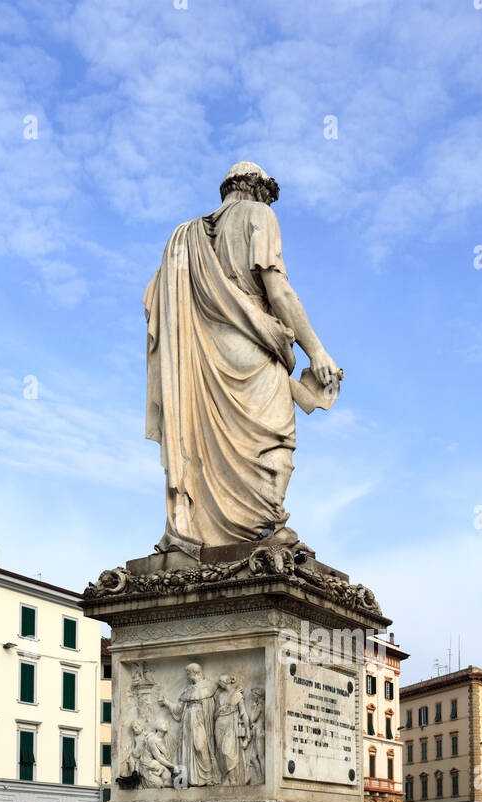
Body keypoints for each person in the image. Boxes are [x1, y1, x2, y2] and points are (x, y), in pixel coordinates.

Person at [144, 161, 342, 554]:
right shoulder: (259, 215)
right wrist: (316, 350)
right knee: (273, 443)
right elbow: (278, 289)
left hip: (201, 356)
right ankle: (264, 526)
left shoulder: (182, 237)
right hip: (252, 350)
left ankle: (205, 532)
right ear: (255, 188)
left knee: (205, 449)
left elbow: (159, 308)